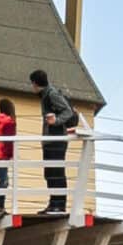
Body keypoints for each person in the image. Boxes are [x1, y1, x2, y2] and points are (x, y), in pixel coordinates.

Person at [31, 66, 80, 219]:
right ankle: (54, 203)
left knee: (56, 172)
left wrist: (56, 121)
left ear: (35, 83)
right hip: (51, 139)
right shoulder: (46, 94)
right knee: (50, 172)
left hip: (57, 139)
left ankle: (59, 204)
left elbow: (68, 111)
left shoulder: (51, 94)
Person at [0, 91, 17, 214]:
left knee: (4, 180)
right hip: (3, 153)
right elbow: (9, 140)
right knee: (4, 181)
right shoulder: (10, 122)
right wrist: (11, 155)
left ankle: (1, 207)